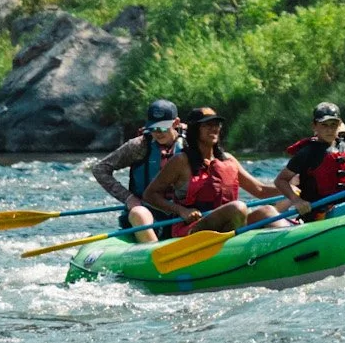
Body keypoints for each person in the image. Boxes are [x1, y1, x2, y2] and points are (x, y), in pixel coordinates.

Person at [145, 106, 285, 238]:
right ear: (195, 130)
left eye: (216, 124)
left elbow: (260, 190)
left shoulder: (228, 160)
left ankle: (291, 242)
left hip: (230, 223)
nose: (214, 129)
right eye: (207, 125)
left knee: (267, 211)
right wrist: (181, 210)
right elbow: (150, 194)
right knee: (238, 207)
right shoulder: (181, 161)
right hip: (192, 229)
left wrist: (293, 188)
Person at [90, 99, 184, 244]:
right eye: (153, 128)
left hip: (181, 211)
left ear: (176, 123)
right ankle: (153, 254)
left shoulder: (190, 144)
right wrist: (128, 198)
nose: (158, 133)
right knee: (138, 213)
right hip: (148, 211)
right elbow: (100, 169)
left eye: (163, 128)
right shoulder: (139, 146)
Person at [274, 102, 345, 219]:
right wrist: (296, 200)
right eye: (324, 125)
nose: (329, 129)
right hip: (319, 214)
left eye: (333, 124)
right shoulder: (307, 153)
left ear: (339, 125)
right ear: (314, 126)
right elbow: (281, 180)